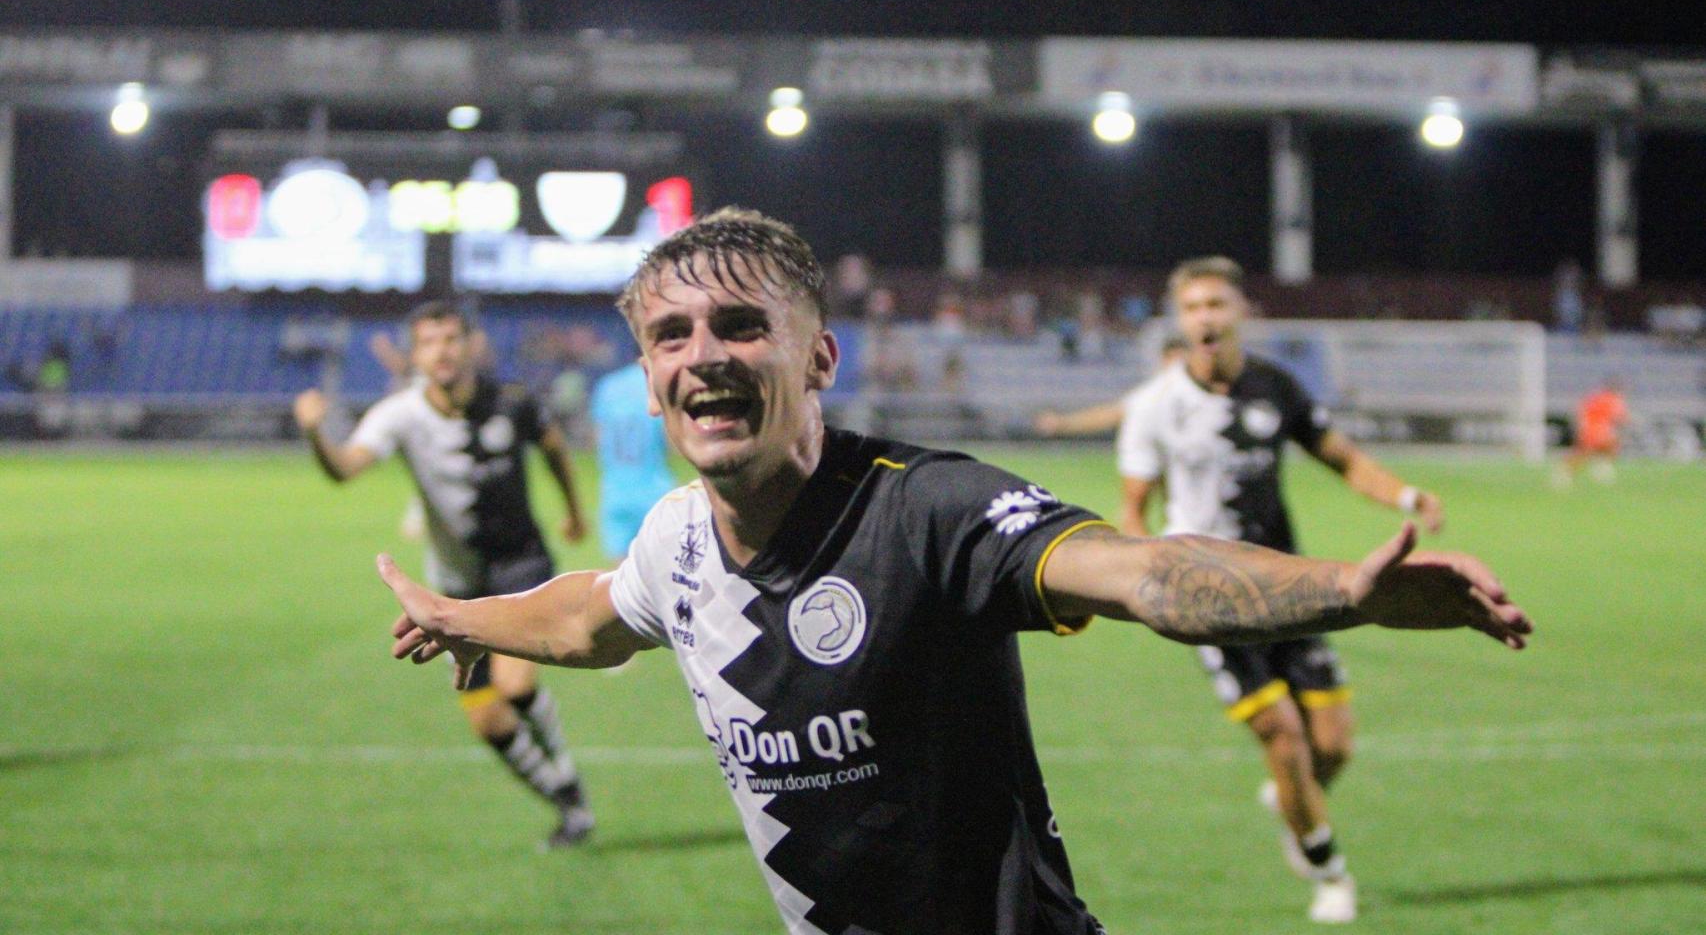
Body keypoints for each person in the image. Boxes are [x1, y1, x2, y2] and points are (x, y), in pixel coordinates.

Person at [377, 210, 1530, 935]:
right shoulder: (676, 540)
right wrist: (463, 613)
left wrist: (1342, 590)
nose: (703, 357)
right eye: (670, 336)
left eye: (739, 325)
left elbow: (1145, 571)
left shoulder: (928, 506)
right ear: (644, 377)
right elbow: (591, 615)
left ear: (816, 356)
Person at [1114, 256, 1447, 923]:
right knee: (1284, 736)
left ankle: (1294, 802)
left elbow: (1344, 459)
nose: (1205, 318)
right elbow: (1133, 512)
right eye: (1193, 308)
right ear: (1180, 320)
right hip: (1206, 595)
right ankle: (1329, 872)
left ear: (1241, 312)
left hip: (1290, 587)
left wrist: (1407, 495)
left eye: (1216, 304)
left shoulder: (1276, 388)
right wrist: (1140, 589)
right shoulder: (1153, 408)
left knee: (1334, 745)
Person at [294, 301, 597, 847]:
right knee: (487, 720)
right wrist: (317, 436)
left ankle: (566, 778)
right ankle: (567, 796)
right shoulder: (400, 415)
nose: (442, 351)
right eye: (429, 342)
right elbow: (345, 470)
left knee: (514, 681)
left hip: (522, 564)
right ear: (415, 355)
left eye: (452, 338)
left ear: (472, 346)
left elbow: (552, 446)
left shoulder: (512, 401)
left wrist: (574, 510)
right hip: (455, 582)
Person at [587, 359, 678, 560]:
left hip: (616, 493)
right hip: (655, 493)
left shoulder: (608, 386)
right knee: (664, 576)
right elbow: (671, 441)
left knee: (622, 581)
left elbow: (598, 438)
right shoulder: (656, 384)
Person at [1034, 335, 1188, 439]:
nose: (1177, 368)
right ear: (1163, 361)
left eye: (1182, 360)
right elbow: (1113, 414)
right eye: (1173, 360)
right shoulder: (1155, 394)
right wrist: (1064, 423)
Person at [1557, 376, 1629, 487]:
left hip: (1589, 428)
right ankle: (1566, 473)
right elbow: (1620, 417)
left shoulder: (1595, 397)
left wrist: (1581, 425)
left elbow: (1581, 410)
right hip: (1599, 429)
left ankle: (1596, 467)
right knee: (1589, 452)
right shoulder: (1613, 399)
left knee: (1597, 450)